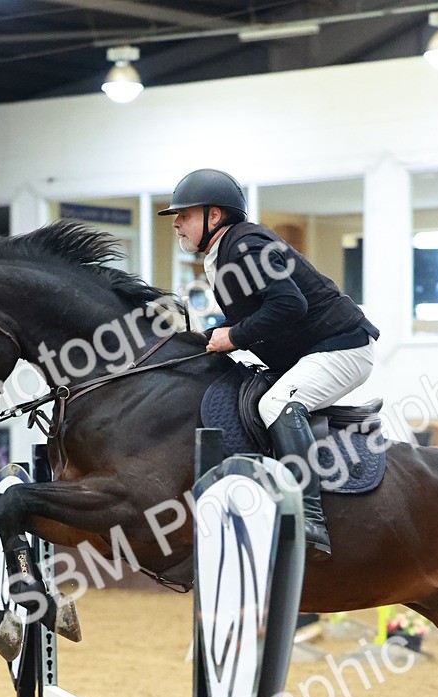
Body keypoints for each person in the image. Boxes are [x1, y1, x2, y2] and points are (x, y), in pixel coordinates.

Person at [158, 169, 380, 558]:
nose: (176, 221)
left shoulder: (243, 245)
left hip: (342, 348)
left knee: (274, 404)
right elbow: (259, 312)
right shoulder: (224, 251)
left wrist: (234, 336)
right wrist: (211, 335)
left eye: (186, 214)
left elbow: (290, 304)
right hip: (318, 349)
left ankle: (309, 517)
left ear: (214, 217)